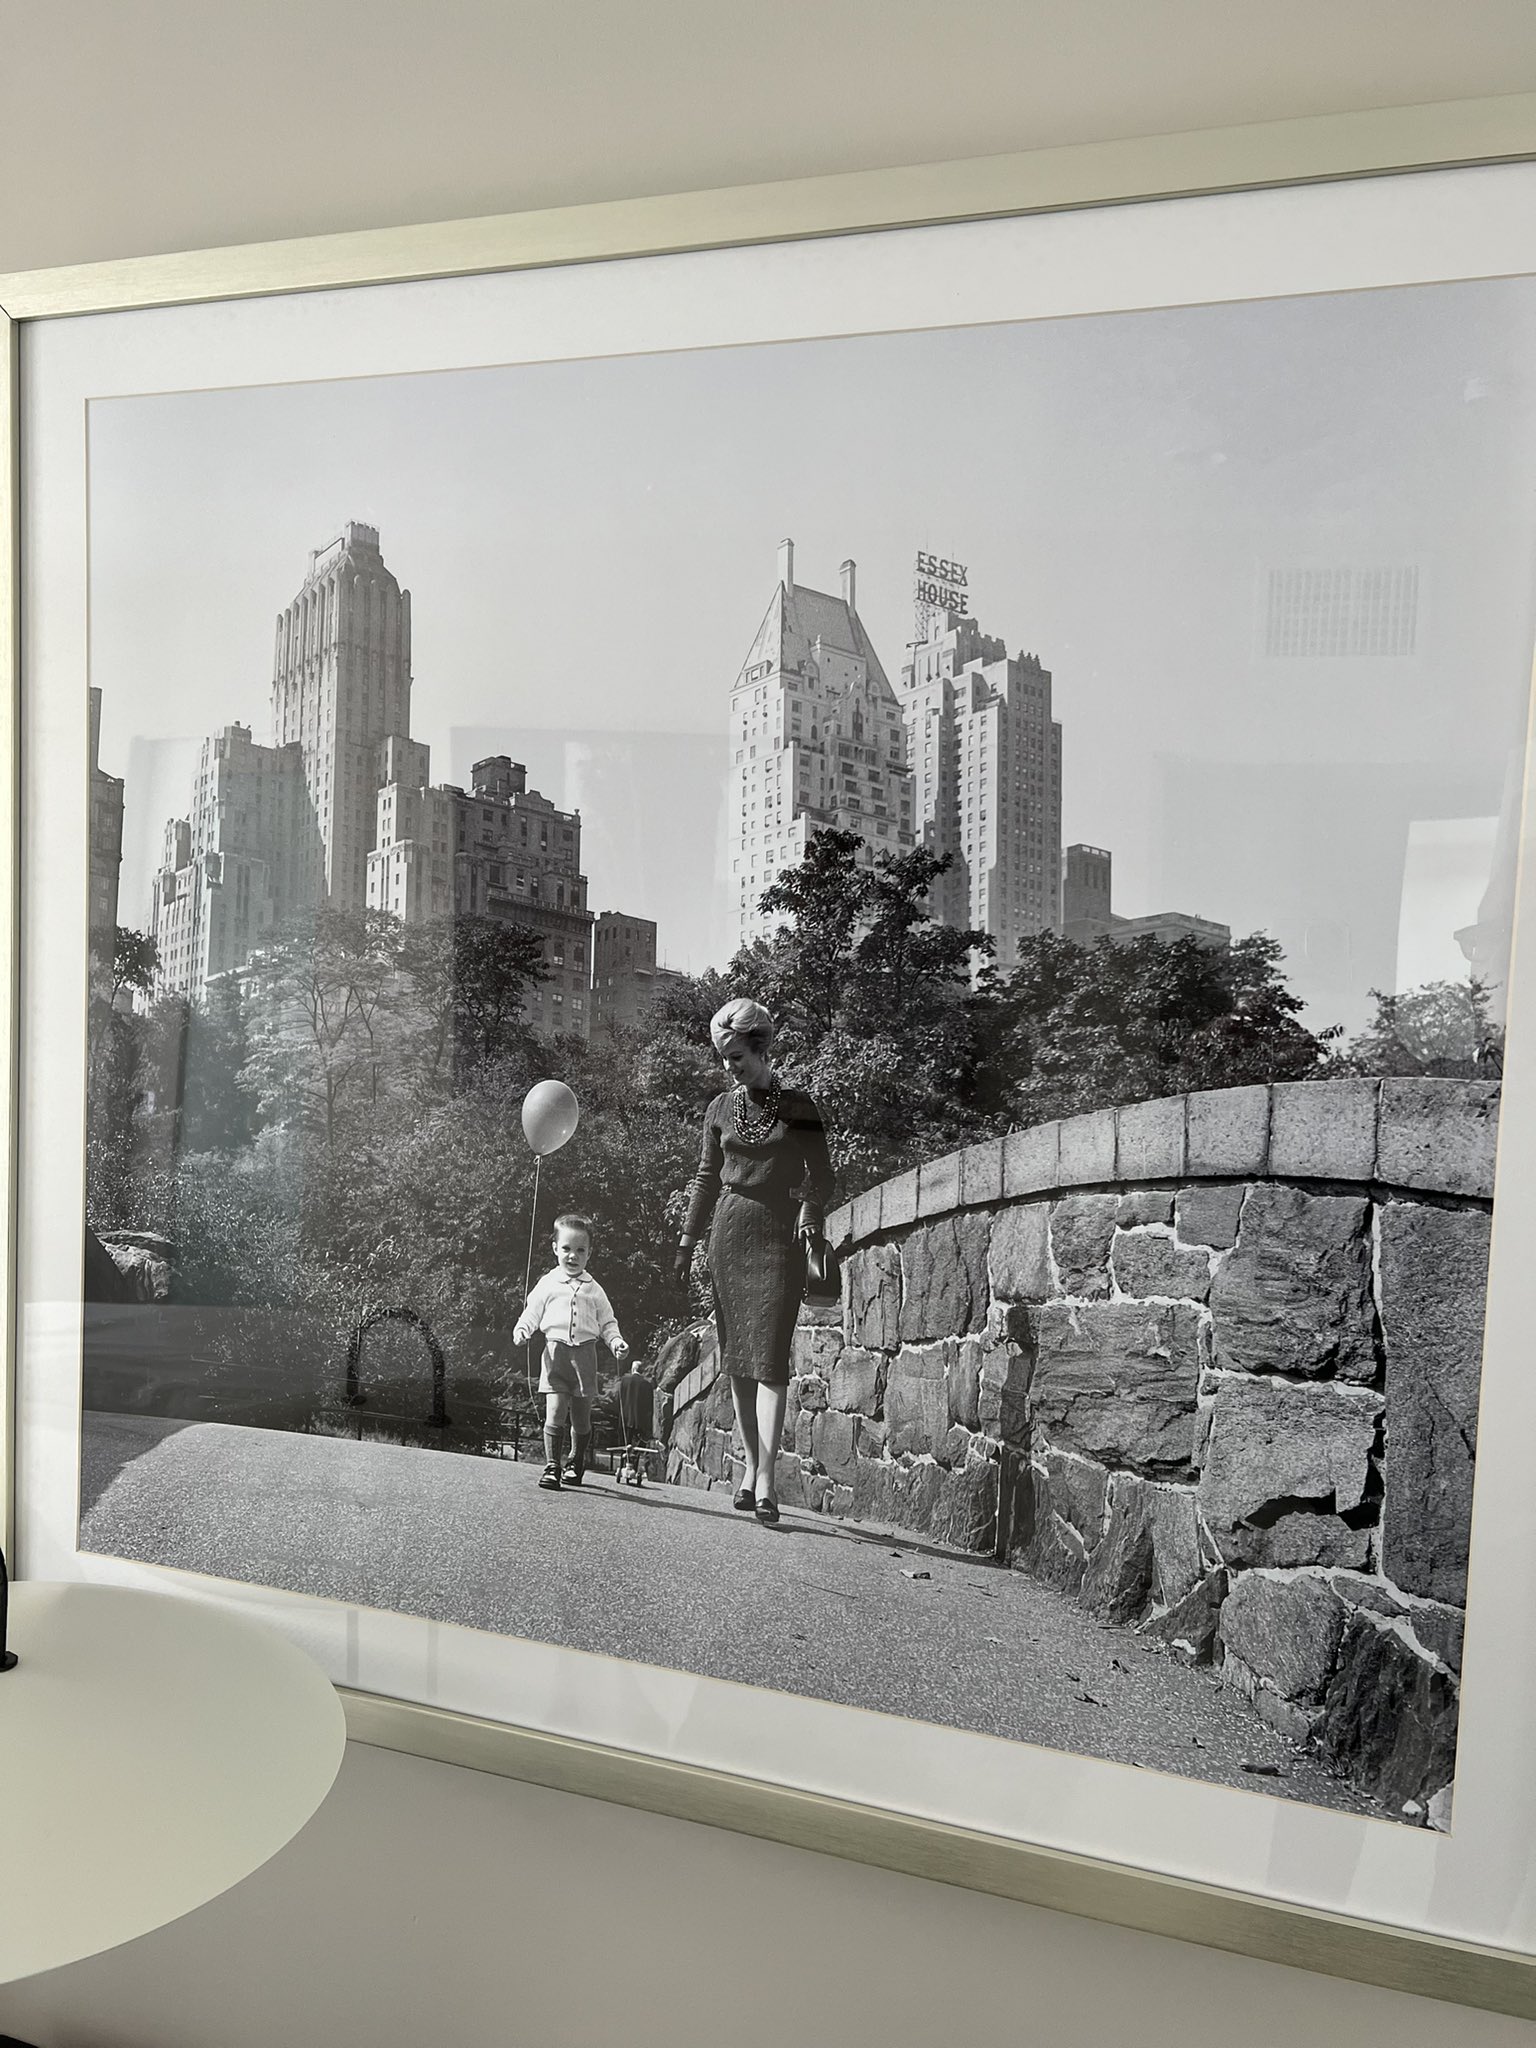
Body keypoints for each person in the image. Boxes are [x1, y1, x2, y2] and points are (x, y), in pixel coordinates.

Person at [674, 998, 834, 1525]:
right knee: (739, 1362)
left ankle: (767, 1479)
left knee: (768, 1360)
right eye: (723, 1058)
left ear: (762, 1049)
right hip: (728, 1237)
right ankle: (749, 1469)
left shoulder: (800, 1106)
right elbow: (704, 1176)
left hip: (779, 1241)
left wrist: (810, 1213)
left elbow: (824, 1177)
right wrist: (686, 1241)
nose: (729, 1068)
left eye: (737, 1057)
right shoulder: (719, 1110)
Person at [515, 1212, 630, 1491]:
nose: (572, 1256)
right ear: (555, 1248)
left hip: (585, 1356)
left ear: (589, 1254)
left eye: (580, 1250)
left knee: (580, 1416)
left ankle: (576, 1461)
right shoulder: (547, 1284)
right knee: (555, 1410)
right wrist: (522, 1330)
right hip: (555, 1355)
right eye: (566, 1249)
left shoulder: (594, 1290)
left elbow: (607, 1323)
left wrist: (616, 1342)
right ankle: (552, 1466)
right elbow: (532, 1312)